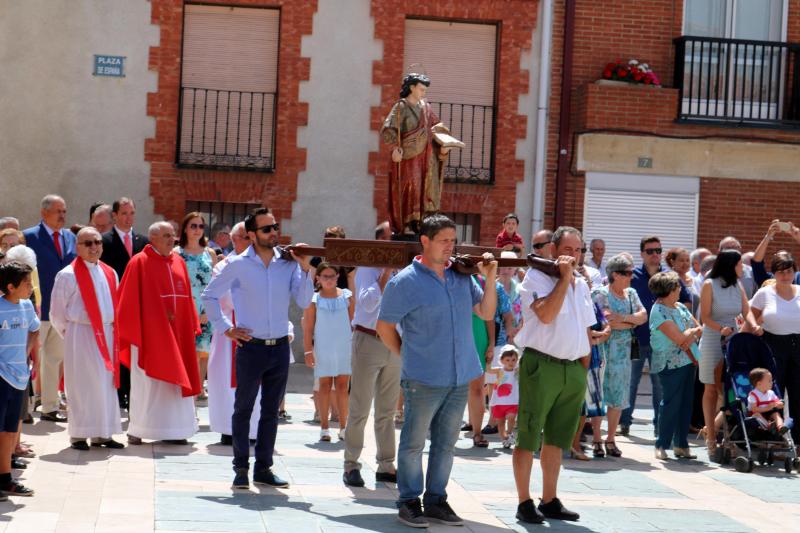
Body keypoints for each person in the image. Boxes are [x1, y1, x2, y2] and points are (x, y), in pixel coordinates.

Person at [377, 214, 496, 528]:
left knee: (445, 444)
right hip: (423, 378)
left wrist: (491, 276)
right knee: (414, 443)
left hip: (460, 376)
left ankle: (436, 501)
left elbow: (486, 311)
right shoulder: (404, 282)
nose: (450, 247)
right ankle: (408, 501)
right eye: (444, 240)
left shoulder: (461, 277)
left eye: (453, 241)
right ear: (425, 241)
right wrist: (406, 354)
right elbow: (384, 326)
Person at [202, 207, 315, 490]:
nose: (273, 232)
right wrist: (226, 327)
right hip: (251, 347)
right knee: (243, 408)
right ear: (251, 235)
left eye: (275, 227)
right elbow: (209, 295)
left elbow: (303, 301)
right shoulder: (238, 264)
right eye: (266, 229)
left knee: (270, 412)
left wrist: (304, 267)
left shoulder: (288, 264)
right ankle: (240, 468)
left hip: (278, 347)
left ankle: (263, 468)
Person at [512, 226, 595, 524]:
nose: (573, 256)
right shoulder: (536, 277)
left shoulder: (582, 285)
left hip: (572, 368)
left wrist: (583, 366)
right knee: (528, 435)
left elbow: (586, 328)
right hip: (542, 364)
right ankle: (524, 501)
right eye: (568, 250)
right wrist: (563, 279)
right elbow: (546, 315)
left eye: (578, 250)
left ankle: (550, 499)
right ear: (553, 249)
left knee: (558, 438)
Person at [117, 221, 201, 445]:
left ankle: (176, 429)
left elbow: (186, 297)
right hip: (149, 336)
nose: (171, 240)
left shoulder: (179, 262)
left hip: (178, 334)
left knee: (175, 385)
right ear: (152, 238)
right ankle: (139, 428)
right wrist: (136, 330)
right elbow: (127, 302)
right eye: (166, 236)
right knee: (148, 384)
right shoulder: (139, 263)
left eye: (173, 235)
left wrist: (191, 321)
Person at [49, 227, 123, 450]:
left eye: (97, 242)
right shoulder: (67, 275)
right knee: (82, 384)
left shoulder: (110, 272)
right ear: (78, 247)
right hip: (80, 335)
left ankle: (103, 433)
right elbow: (56, 313)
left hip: (108, 334)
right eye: (88, 243)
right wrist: (71, 333)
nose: (94, 247)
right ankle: (80, 434)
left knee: (105, 384)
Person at [342, 222, 400, 488]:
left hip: (395, 342)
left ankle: (386, 464)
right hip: (368, 338)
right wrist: (386, 273)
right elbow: (366, 303)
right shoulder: (367, 268)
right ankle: (351, 464)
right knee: (360, 408)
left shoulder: (407, 270)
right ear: (379, 242)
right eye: (390, 240)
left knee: (387, 410)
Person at [698, 250, 757, 457]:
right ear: (730, 265)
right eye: (740, 264)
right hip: (713, 338)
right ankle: (711, 437)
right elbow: (704, 316)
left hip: (732, 338)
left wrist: (754, 325)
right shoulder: (709, 284)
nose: (743, 268)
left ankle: (721, 433)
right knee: (711, 389)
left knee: (729, 390)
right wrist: (719, 328)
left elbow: (746, 309)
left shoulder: (737, 285)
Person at [23, 194, 76, 423]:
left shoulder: (70, 237)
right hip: (37, 310)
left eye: (64, 211)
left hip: (62, 310)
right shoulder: (29, 237)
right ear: (44, 213)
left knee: (54, 359)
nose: (62, 215)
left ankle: (50, 407)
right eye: (58, 211)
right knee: (28, 359)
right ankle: (24, 407)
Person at [380, 73, 454, 234]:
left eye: (425, 90)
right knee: (410, 187)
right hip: (408, 156)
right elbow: (388, 129)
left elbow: (436, 126)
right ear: (412, 87)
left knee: (425, 188)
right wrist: (394, 148)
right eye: (421, 89)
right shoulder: (401, 107)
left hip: (427, 157)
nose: (424, 92)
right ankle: (406, 224)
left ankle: (421, 223)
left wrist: (443, 142)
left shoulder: (426, 108)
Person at [590, 254, 647, 457]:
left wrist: (624, 318)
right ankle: (597, 438)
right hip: (604, 350)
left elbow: (643, 316)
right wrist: (630, 321)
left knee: (619, 395)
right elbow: (607, 322)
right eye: (628, 273)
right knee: (600, 395)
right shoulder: (600, 293)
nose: (632, 276)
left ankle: (611, 439)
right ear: (615, 274)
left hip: (623, 352)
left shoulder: (631, 293)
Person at [207, 222, 256, 444]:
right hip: (229, 330)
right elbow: (220, 296)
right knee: (225, 378)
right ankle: (228, 428)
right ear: (234, 240)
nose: (249, 241)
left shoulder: (262, 263)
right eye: (245, 237)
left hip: (257, 330)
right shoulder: (223, 265)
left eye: (250, 237)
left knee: (256, 381)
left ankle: (253, 430)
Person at [100, 197, 149, 410]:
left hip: (138, 304)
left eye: (131, 213)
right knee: (117, 347)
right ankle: (119, 393)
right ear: (115, 216)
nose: (128, 218)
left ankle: (133, 391)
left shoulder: (143, 241)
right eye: (124, 214)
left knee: (134, 347)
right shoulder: (104, 241)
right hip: (113, 303)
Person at [648, 271, 702, 461]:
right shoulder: (659, 311)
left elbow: (699, 329)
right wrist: (689, 333)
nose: (680, 289)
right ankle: (661, 444)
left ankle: (681, 445)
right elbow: (680, 339)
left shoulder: (680, 307)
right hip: (670, 364)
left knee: (686, 404)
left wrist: (690, 332)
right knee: (671, 404)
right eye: (677, 286)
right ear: (669, 289)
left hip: (689, 361)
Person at [748, 251, 800, 444]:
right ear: (774, 273)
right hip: (773, 344)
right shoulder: (765, 293)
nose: (785, 276)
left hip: (798, 344)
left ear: (794, 272)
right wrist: (753, 327)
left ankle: (798, 442)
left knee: (797, 395)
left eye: (789, 271)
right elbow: (749, 313)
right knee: (773, 393)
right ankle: (773, 438)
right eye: (780, 272)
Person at [0, 260, 39, 496]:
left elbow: (34, 329)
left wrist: (25, 354)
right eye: (26, 283)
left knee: (9, 430)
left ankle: (5, 478)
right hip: (1, 377)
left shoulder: (26, 306)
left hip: (19, 377)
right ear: (11, 287)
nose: (31, 286)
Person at [620, 236, 665, 436]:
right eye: (650, 251)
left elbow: (686, 300)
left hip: (661, 341)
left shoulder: (668, 276)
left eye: (658, 250)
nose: (655, 254)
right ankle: (624, 422)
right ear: (642, 254)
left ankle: (659, 425)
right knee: (631, 380)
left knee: (659, 384)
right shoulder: (632, 276)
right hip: (635, 338)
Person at [303, 262, 354, 442]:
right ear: (318, 278)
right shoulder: (314, 300)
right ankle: (324, 428)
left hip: (343, 347)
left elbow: (352, 323)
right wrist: (308, 351)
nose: (329, 280)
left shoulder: (347, 296)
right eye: (325, 276)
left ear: (337, 276)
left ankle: (343, 427)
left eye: (332, 276)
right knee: (324, 386)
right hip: (323, 347)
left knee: (342, 386)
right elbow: (308, 328)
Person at [176, 212, 218, 400]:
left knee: (203, 354)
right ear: (185, 228)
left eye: (201, 226)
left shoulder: (210, 253)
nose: (197, 230)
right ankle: (185, 394)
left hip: (206, 310)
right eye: (193, 226)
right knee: (187, 354)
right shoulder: (177, 253)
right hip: (185, 309)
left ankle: (197, 391)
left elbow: (216, 284)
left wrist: (209, 311)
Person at [485, 345, 520, 448]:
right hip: (499, 401)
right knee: (500, 423)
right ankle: (504, 439)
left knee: (511, 417)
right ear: (502, 360)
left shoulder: (517, 371)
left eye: (513, 360)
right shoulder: (499, 370)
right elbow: (489, 370)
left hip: (512, 401)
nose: (511, 362)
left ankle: (509, 433)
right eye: (508, 360)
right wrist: (488, 361)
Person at [750, 220, 800, 288]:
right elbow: (756, 262)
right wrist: (768, 236)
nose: (785, 275)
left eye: (788, 271)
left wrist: (798, 237)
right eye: (781, 271)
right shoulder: (768, 281)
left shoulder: (798, 279)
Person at [747, 368, 789, 434]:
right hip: (758, 413)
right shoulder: (753, 395)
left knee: (776, 414)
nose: (772, 383)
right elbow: (754, 409)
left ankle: (781, 427)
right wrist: (768, 407)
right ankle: (769, 426)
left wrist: (779, 404)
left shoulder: (771, 393)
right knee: (756, 415)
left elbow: (778, 402)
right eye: (769, 381)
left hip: (769, 413)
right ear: (759, 383)